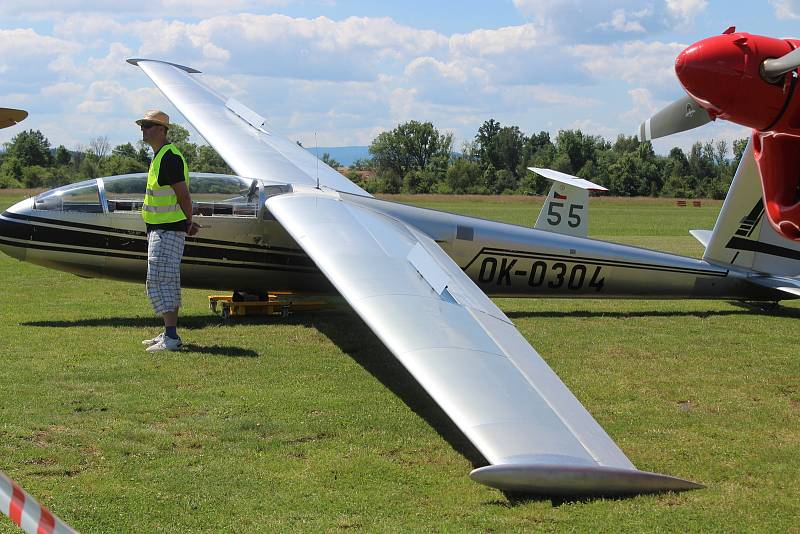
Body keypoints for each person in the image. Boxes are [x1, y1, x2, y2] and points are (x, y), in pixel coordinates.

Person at [136, 110, 200, 352]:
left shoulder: (169, 157)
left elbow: (183, 194)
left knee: (163, 280)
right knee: (161, 279)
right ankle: (168, 332)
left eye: (149, 126)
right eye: (143, 126)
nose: (144, 129)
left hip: (167, 230)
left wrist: (186, 221)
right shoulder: (159, 156)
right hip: (160, 229)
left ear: (162, 130)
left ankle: (171, 338)